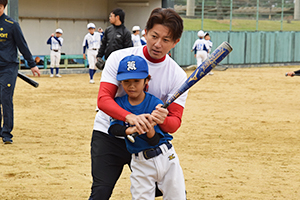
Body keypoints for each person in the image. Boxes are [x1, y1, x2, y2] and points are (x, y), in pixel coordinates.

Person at [89, 7, 188, 200]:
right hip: (110, 133)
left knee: (172, 192)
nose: (158, 44)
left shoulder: (177, 75)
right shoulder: (119, 58)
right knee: (101, 191)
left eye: (166, 40)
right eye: (154, 36)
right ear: (145, 32)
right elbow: (103, 100)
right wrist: (130, 118)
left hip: (147, 141)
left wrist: (163, 120)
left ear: (175, 42)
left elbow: (174, 123)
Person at [108, 55, 186, 199]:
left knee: (176, 196)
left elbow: (155, 141)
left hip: (166, 157)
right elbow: (113, 129)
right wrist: (130, 130)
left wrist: (150, 130)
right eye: (126, 81)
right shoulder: (119, 104)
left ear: (146, 80)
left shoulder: (154, 103)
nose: (131, 86)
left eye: (137, 81)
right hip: (140, 162)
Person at [0, 0, 40, 144]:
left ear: (4, 7)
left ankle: (6, 133)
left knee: (5, 98)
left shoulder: (12, 25)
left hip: (8, 68)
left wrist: (32, 64)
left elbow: (22, 45)